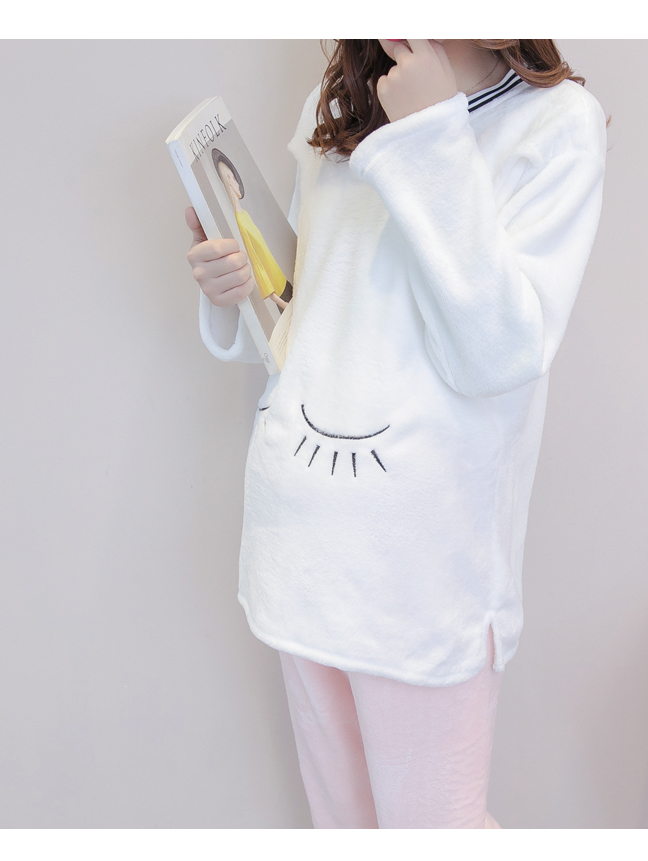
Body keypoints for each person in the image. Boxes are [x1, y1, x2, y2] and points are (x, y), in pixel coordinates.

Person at [184, 39, 607, 829]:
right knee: (343, 827)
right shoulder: (338, 104)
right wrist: (232, 287)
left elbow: (498, 355)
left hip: (423, 573)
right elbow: (306, 315)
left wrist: (431, 134)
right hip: (302, 541)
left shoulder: (558, 124)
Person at [211, 148, 292, 311]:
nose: (235, 182)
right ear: (228, 181)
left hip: (283, 281)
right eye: (230, 178)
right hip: (281, 293)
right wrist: (280, 302)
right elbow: (256, 263)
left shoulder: (245, 214)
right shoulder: (239, 221)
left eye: (234, 177)